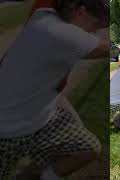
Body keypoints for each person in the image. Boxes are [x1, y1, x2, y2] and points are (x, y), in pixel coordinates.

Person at [0, 0, 109, 179]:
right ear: (80, 11)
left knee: (88, 148)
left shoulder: (42, 14)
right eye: (96, 25)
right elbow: (108, 50)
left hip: (41, 118)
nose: (94, 32)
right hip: (7, 131)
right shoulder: (63, 34)